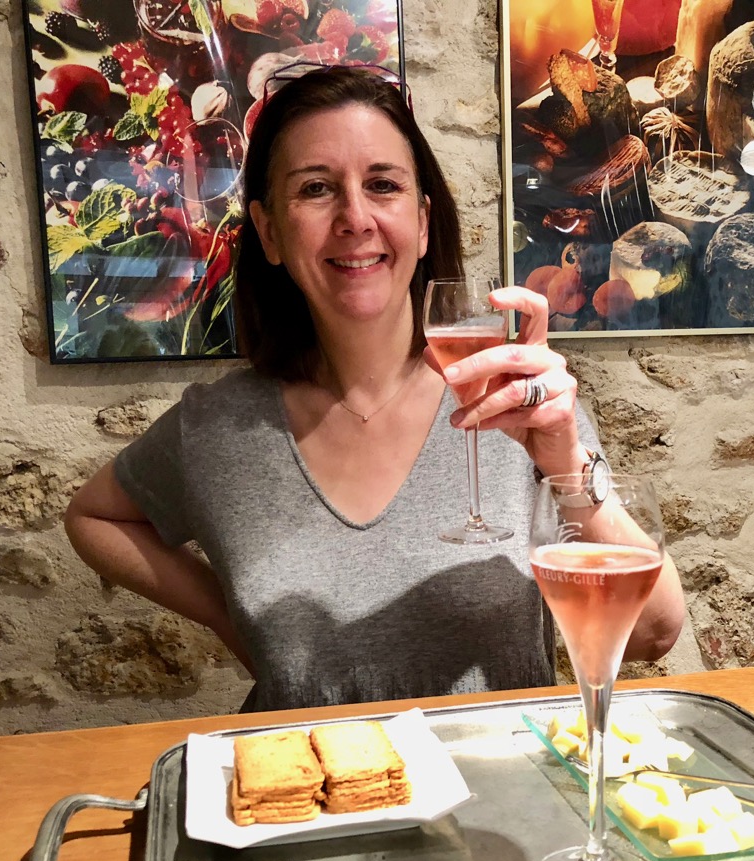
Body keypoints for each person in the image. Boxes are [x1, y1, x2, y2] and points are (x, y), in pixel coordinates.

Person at [64, 66, 686, 713]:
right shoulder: (218, 426)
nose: (355, 217)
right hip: (305, 772)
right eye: (315, 189)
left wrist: (564, 460)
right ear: (270, 232)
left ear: (422, 222)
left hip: (496, 773)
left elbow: (653, 632)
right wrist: (229, 615)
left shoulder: (515, 394)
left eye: (383, 185)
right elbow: (91, 517)